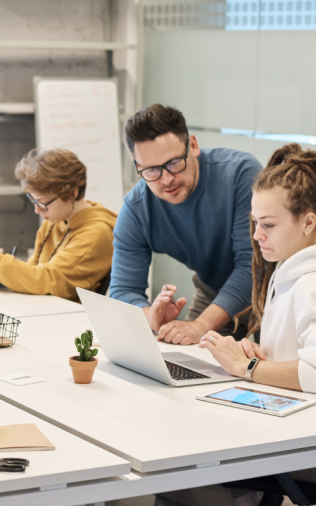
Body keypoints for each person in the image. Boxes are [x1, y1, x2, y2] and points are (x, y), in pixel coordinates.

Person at [166, 144, 316, 506]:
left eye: (268, 225)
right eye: (254, 223)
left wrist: (246, 368)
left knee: (188, 458)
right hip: (292, 423)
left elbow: (315, 372)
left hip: (303, 444)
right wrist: (258, 354)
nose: (257, 235)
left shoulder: (311, 283)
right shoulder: (289, 270)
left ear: (309, 222)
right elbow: (297, 353)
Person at [110, 104, 262, 345]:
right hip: (214, 290)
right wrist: (152, 316)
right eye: (151, 170)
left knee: (274, 372)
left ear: (193, 145)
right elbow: (122, 290)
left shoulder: (240, 175)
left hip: (273, 290)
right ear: (136, 164)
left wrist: (201, 325)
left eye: (173, 163)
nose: (167, 179)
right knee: (187, 359)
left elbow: (253, 265)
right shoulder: (137, 208)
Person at [0, 148, 117, 302]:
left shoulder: (96, 233)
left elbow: (45, 280)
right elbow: (33, 270)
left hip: (68, 319)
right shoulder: (55, 219)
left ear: (72, 194)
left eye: (43, 202)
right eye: (34, 200)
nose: (37, 210)